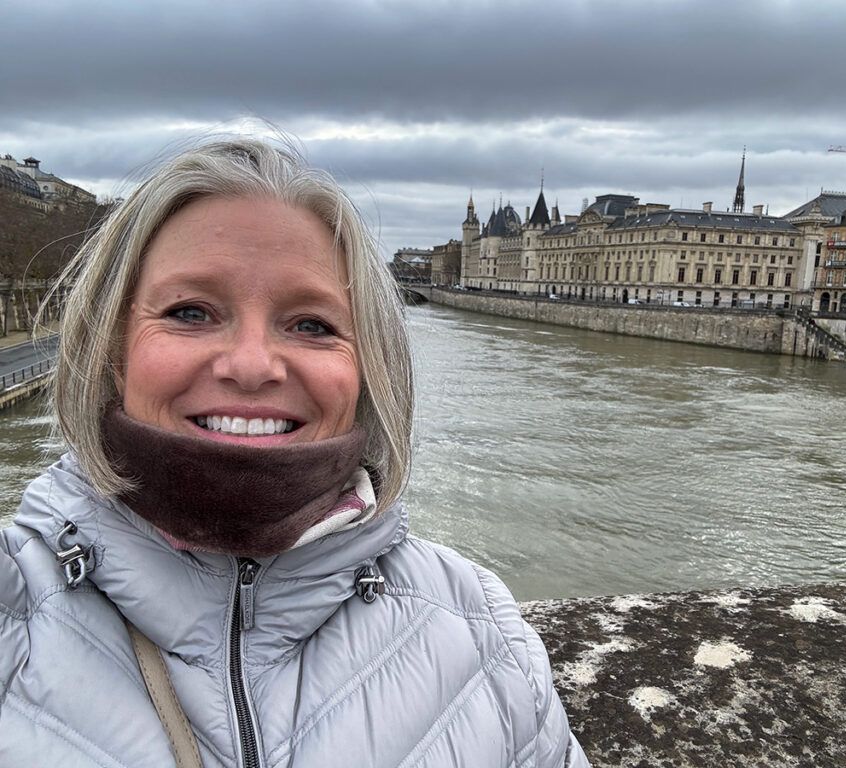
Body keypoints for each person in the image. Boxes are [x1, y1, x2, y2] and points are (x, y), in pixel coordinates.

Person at [0, 138, 589, 766]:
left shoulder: (484, 632)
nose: (252, 366)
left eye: (312, 325)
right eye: (190, 311)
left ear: (369, 368)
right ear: (112, 349)